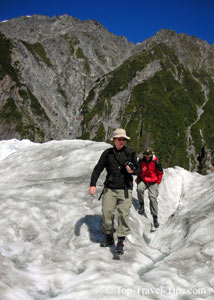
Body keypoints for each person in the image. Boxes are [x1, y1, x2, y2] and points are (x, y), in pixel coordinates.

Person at [89, 128, 140, 255]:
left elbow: (139, 170)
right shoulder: (107, 154)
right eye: (120, 139)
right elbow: (98, 169)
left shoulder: (131, 153)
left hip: (125, 188)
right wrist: (92, 184)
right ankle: (109, 237)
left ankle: (121, 242)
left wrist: (132, 171)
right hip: (110, 188)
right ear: (114, 140)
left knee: (123, 214)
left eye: (124, 139)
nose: (122, 141)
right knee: (107, 213)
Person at [136, 148, 163, 228]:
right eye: (146, 156)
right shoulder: (142, 161)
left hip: (153, 182)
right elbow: (139, 170)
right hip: (144, 179)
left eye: (149, 156)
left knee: (152, 198)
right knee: (139, 189)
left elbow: (160, 173)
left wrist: (158, 182)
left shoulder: (156, 162)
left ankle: (155, 217)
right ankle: (142, 206)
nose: (147, 157)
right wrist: (138, 179)